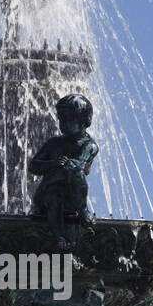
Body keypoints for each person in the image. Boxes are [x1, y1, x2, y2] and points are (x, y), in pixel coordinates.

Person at [29, 94, 98, 248]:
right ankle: (59, 236)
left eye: (68, 119)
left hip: (74, 196)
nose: (63, 123)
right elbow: (33, 166)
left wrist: (68, 165)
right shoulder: (54, 143)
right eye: (61, 119)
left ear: (83, 121)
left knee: (75, 172)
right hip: (47, 195)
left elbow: (81, 165)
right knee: (54, 197)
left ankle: (83, 210)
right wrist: (52, 164)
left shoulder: (89, 145)